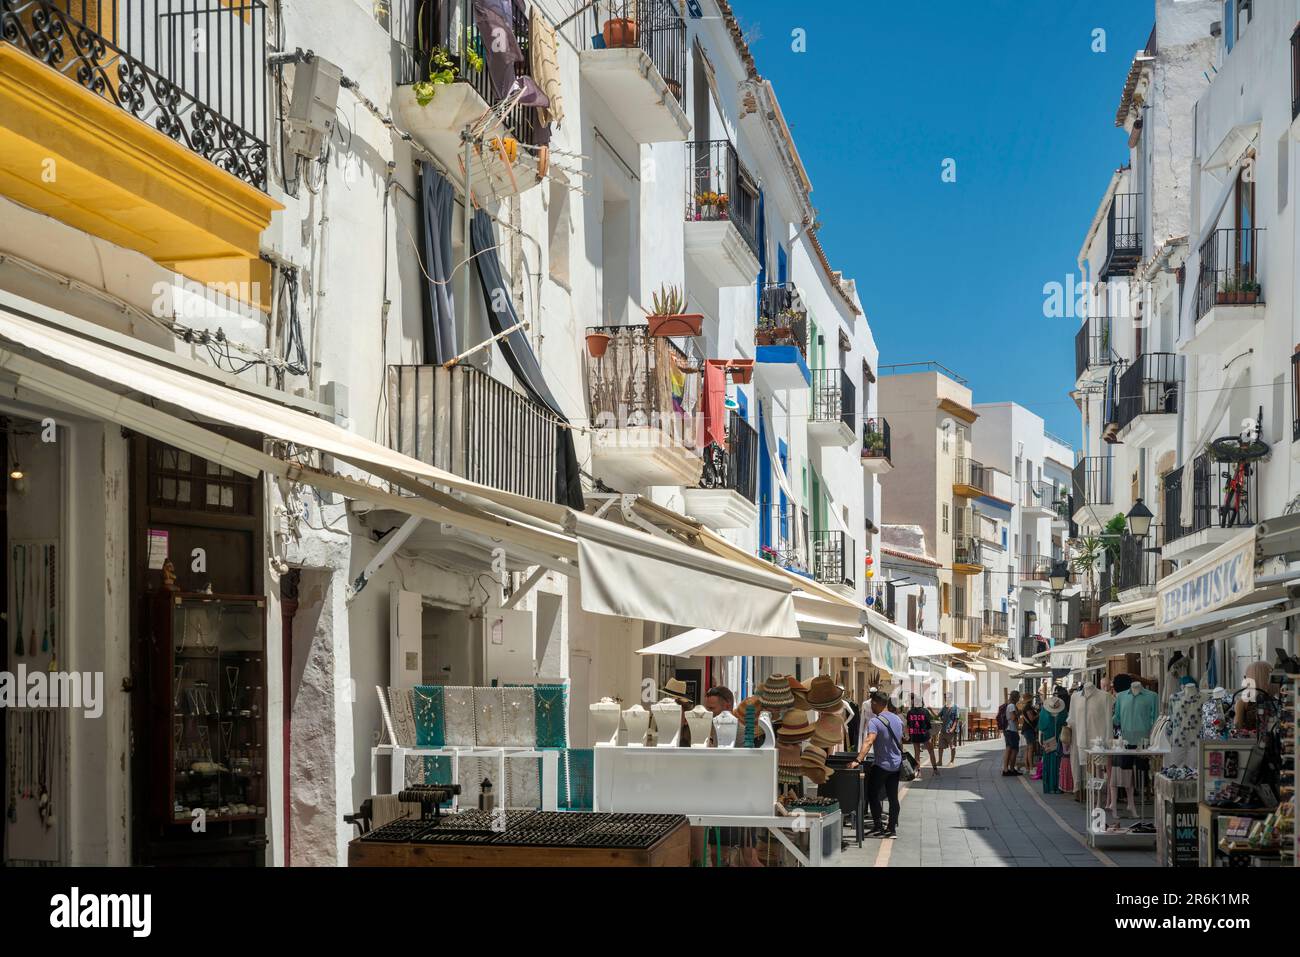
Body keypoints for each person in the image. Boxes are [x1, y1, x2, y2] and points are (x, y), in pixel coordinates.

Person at [850, 691, 905, 839]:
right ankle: (892, 829)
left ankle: (878, 825)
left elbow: (869, 741)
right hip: (896, 764)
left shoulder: (875, 721)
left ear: (875, 703)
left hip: (881, 765)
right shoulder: (898, 719)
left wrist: (858, 759)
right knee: (893, 797)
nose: (871, 708)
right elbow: (900, 742)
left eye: (871, 704)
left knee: (872, 794)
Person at [906, 695, 940, 777]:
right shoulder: (925, 711)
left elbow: (908, 724)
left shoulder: (910, 712)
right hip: (924, 734)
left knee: (917, 753)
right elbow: (928, 724)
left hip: (914, 734)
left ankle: (918, 772)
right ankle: (935, 770)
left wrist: (909, 734)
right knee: (931, 751)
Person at [1001, 691, 1022, 776]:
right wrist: (1019, 713)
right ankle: (1011, 769)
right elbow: (1013, 717)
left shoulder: (1009, 705)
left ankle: (1007, 769)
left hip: (1008, 730)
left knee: (1009, 749)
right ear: (1015, 697)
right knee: (1014, 750)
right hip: (1011, 730)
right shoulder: (1012, 706)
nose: (1019, 698)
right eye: (1018, 696)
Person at [937, 695, 960, 766]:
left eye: (947, 698)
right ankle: (940, 761)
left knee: (952, 746)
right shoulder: (944, 707)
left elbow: (956, 719)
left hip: (951, 731)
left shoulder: (955, 707)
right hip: (943, 730)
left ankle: (952, 761)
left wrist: (952, 729)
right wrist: (931, 710)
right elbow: (938, 716)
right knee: (940, 746)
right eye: (944, 698)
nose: (945, 699)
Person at [1019, 697, 1039, 775]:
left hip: (1027, 729)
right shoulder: (1028, 707)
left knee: (1028, 748)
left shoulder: (1026, 707)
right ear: (1030, 700)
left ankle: (1027, 767)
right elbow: (1031, 718)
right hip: (1028, 730)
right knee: (1030, 748)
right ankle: (1030, 767)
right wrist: (1038, 714)